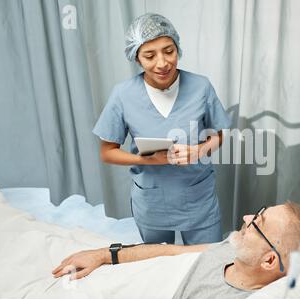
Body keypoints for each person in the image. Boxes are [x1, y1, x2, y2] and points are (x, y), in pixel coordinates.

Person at [92, 13, 231, 245]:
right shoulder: (123, 95)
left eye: (169, 51)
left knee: (206, 263)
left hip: (197, 199)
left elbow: (219, 134)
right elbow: (107, 152)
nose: (162, 63)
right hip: (152, 201)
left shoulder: (201, 87)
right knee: (158, 268)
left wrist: (199, 151)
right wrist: (149, 161)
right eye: (149, 55)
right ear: (136, 58)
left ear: (178, 48)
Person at [52, 202, 300, 299]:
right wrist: (105, 254)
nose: (247, 218)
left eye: (258, 223)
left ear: (270, 260)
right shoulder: (234, 247)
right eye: (258, 213)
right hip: (105, 271)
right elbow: (172, 252)